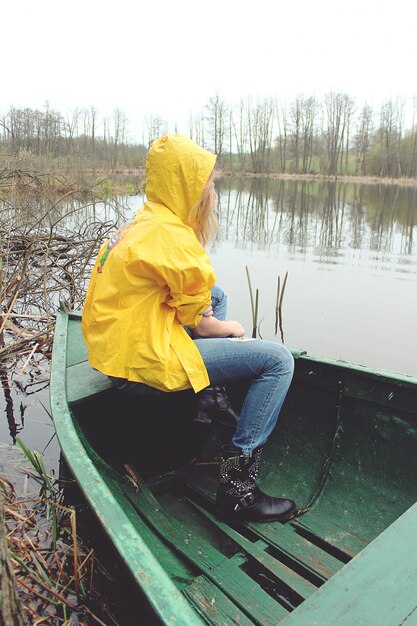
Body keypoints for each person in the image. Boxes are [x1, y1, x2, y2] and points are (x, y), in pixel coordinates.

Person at [82, 134, 297, 523]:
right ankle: (237, 490)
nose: (212, 190)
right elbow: (202, 322)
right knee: (278, 361)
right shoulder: (175, 239)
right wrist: (234, 329)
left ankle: (206, 396)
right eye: (208, 182)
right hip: (142, 365)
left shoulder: (143, 223)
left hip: (116, 354)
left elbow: (195, 301)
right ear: (188, 187)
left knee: (214, 292)